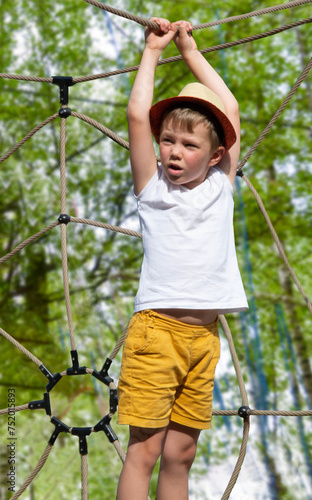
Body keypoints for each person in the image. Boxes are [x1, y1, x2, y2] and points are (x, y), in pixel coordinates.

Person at [116, 17, 248, 500]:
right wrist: (153, 51)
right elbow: (136, 116)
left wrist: (190, 49)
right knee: (145, 451)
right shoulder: (153, 189)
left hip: (203, 339)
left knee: (180, 455)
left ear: (215, 157)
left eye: (189, 145)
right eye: (168, 140)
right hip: (157, 333)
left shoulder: (221, 187)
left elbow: (229, 107)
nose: (173, 151)